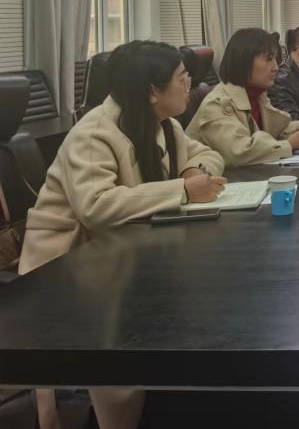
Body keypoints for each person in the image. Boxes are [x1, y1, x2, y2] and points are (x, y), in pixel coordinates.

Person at [19, 40, 226, 429]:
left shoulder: (164, 123)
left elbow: (208, 153)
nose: (190, 86)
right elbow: (96, 206)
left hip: (129, 250)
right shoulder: (93, 134)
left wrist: (192, 171)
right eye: (182, 79)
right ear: (152, 91)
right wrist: (181, 190)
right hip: (69, 265)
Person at [187, 28, 299, 167]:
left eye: (275, 59)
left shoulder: (257, 95)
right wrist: (289, 144)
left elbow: (276, 128)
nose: (276, 67)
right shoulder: (216, 103)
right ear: (244, 62)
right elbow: (238, 153)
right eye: (269, 59)